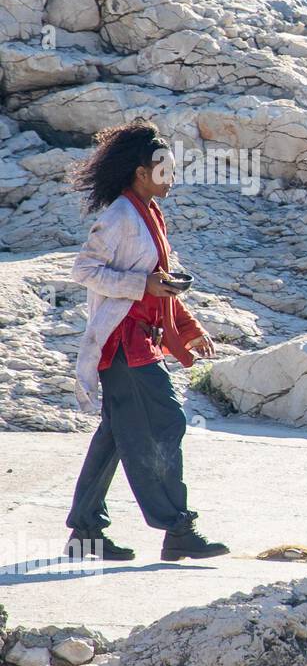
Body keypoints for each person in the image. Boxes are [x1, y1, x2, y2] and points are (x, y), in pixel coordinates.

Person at [66, 120, 229, 562]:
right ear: (141, 172)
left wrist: (190, 327)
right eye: (164, 170)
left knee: (117, 435)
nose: (171, 177)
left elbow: (160, 281)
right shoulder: (119, 216)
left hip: (141, 341)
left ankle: (85, 532)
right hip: (124, 345)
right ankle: (177, 528)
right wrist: (142, 285)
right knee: (167, 424)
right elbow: (84, 270)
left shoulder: (150, 213)